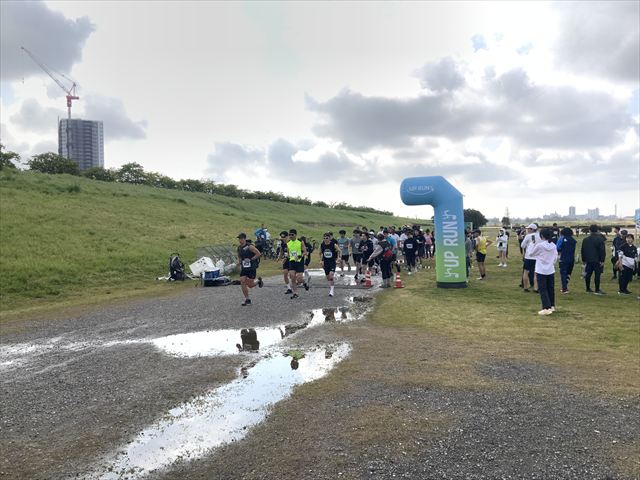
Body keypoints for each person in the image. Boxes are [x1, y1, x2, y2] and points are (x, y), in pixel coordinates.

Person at [530, 228, 558, 315]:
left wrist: (532, 244)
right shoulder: (553, 245)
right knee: (550, 288)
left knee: (543, 289)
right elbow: (555, 258)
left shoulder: (540, 245)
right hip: (550, 269)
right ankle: (552, 305)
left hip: (541, 270)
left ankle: (546, 307)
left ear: (542, 236)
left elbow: (531, 254)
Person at [236, 233, 263, 306]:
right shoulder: (239, 248)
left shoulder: (250, 246)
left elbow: (258, 254)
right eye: (239, 239)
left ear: (245, 239)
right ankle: (247, 299)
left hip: (251, 268)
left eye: (241, 238)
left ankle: (258, 281)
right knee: (242, 281)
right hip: (244, 268)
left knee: (250, 285)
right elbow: (239, 256)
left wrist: (251, 259)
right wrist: (239, 262)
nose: (240, 240)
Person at [581, 224, 606, 295]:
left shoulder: (585, 239)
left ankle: (588, 288)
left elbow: (583, 250)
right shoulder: (600, 239)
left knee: (588, 274)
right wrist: (602, 260)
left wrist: (584, 260)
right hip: (597, 260)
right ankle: (597, 289)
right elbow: (602, 251)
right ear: (597, 230)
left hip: (588, 260)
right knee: (597, 275)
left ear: (589, 230)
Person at [287, 229, 309, 299]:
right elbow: (288, 253)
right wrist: (286, 258)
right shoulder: (288, 242)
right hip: (292, 262)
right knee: (292, 277)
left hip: (299, 261)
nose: (290, 236)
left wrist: (300, 256)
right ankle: (295, 293)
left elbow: (305, 252)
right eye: (289, 235)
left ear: (295, 235)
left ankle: (304, 282)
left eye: (292, 235)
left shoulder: (300, 241)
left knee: (299, 279)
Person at [320, 232, 341, 296]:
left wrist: (339, 258)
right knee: (328, 278)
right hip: (326, 262)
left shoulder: (333, 244)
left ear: (329, 238)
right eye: (324, 238)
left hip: (332, 262)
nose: (325, 239)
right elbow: (320, 253)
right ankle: (334, 275)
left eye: (326, 238)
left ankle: (331, 291)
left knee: (331, 275)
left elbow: (339, 251)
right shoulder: (322, 245)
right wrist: (321, 260)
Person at [556, 227, 577, 294]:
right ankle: (565, 286)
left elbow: (557, 247)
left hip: (563, 258)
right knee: (568, 273)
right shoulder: (573, 240)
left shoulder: (562, 239)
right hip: (571, 259)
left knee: (563, 273)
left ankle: (564, 288)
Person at [521, 224, 540, 292]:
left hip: (528, 257)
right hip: (537, 257)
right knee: (536, 273)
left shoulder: (528, 236)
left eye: (528, 229)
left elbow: (522, 245)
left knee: (526, 272)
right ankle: (536, 288)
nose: (527, 230)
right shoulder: (539, 236)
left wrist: (528, 245)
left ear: (532, 229)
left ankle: (525, 287)